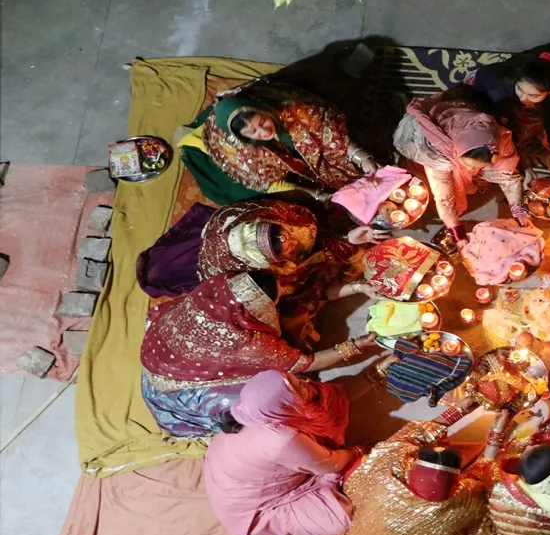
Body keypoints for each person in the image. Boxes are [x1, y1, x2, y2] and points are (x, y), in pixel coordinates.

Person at [139, 271, 377, 437]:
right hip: (183, 387)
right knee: (275, 393)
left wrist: (357, 287)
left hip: (168, 353)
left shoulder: (227, 288)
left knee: (293, 313)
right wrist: (356, 345)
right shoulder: (248, 343)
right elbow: (306, 363)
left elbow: (301, 294)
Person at [139, 197, 388, 346]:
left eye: (282, 235)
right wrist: (357, 286)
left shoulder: (263, 214)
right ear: (268, 263)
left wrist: (348, 238)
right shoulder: (254, 281)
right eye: (283, 249)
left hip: (234, 235)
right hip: (237, 271)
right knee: (295, 318)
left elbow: (316, 237)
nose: (291, 241)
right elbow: (311, 292)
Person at [204, 370, 365, 535]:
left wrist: (375, 373)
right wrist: (356, 451)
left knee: (322, 402)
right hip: (253, 505)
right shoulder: (280, 439)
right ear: (283, 404)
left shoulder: (257, 409)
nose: (306, 383)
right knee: (337, 520)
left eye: (295, 380)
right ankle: (274, 522)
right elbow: (331, 464)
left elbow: (337, 397)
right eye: (297, 388)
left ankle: (311, 469)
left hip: (233, 475)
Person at [337, 421, 496, 535]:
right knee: (484, 528)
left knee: (365, 465)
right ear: (456, 484)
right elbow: (485, 474)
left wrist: (459, 411)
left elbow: (407, 437)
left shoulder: (387, 475)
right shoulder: (463, 502)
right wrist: (497, 433)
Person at [178, 78, 377, 206]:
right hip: (234, 156)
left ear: (265, 111)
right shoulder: (240, 153)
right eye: (253, 132)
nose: (264, 132)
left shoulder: (295, 110)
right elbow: (273, 184)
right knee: (246, 198)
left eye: (262, 122)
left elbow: (331, 136)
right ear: (244, 137)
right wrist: (317, 194)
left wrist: (363, 159)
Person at [393, 88, 525, 245]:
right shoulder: (438, 152)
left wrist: (518, 210)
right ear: (456, 151)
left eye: (477, 166)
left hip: (462, 138)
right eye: (467, 164)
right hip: (422, 142)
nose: (471, 170)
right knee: (426, 191)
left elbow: (508, 178)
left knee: (488, 175)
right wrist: (458, 234)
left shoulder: (497, 140)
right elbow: (444, 200)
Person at [464, 53, 550, 178]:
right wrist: (523, 166)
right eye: (520, 90)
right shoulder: (499, 92)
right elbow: (505, 130)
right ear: (516, 80)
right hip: (480, 98)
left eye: (533, 95)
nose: (523, 98)